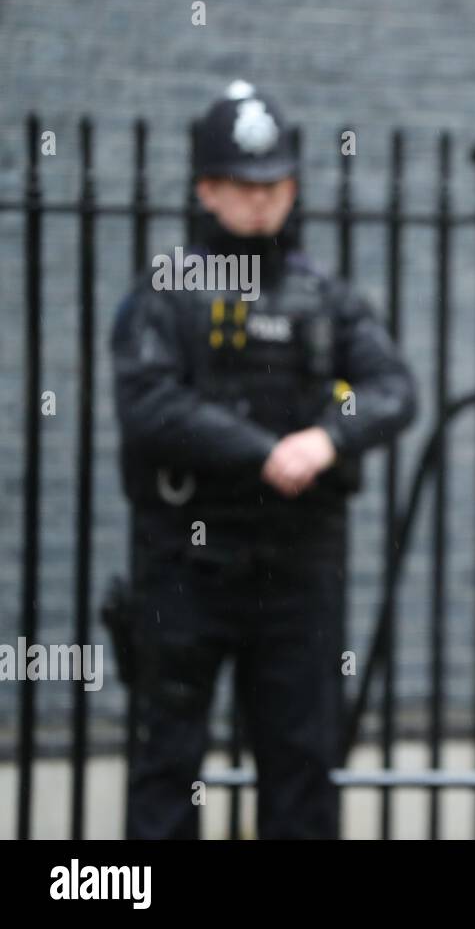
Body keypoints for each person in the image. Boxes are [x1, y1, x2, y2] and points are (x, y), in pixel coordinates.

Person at [110, 80, 417, 838]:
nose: (261, 201)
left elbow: (393, 388)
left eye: (274, 184)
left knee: (301, 769)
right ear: (207, 188)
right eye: (243, 186)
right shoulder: (168, 291)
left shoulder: (324, 297)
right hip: (184, 564)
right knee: (165, 768)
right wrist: (265, 452)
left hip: (298, 568)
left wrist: (325, 439)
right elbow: (149, 404)